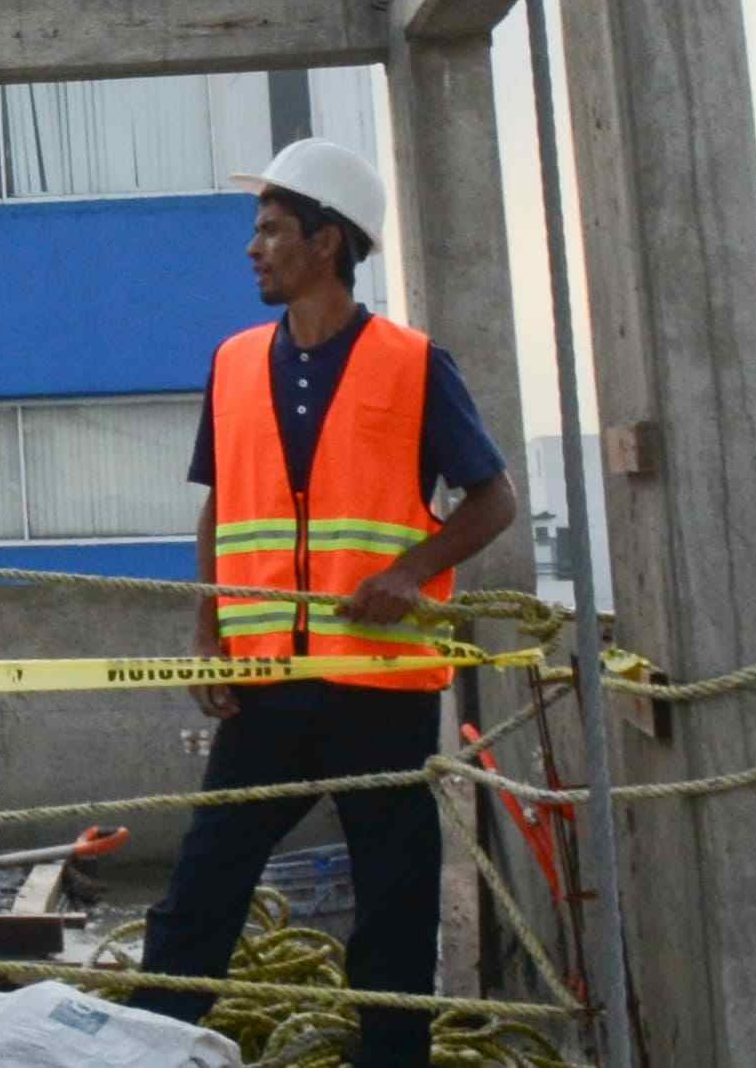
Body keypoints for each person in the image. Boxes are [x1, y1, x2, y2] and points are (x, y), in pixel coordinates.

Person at [131, 139, 526, 1068]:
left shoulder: (414, 364)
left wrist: (409, 572)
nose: (252, 247)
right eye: (257, 230)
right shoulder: (231, 363)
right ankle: (140, 1049)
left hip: (380, 689)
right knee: (201, 888)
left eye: (270, 230)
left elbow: (493, 499)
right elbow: (221, 504)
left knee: (393, 906)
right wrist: (208, 630)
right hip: (267, 681)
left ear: (328, 242)